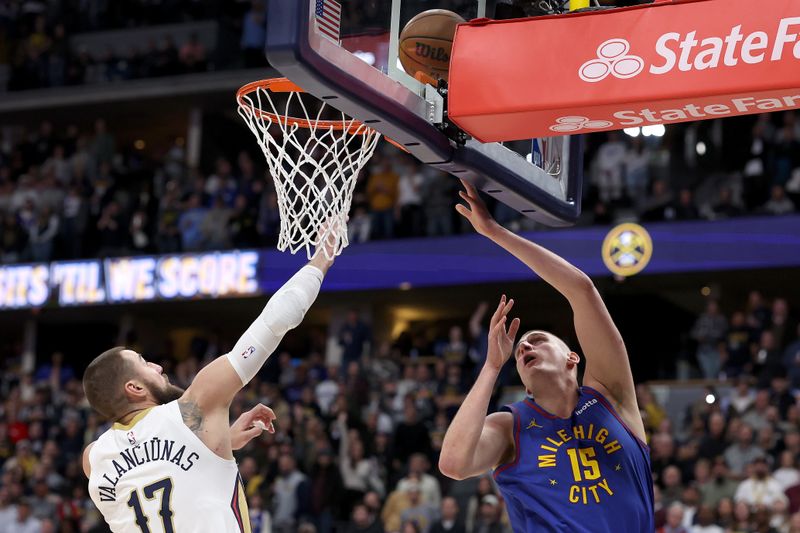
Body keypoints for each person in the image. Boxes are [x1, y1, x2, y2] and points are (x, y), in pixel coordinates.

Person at [81, 234, 336, 532]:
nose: (158, 366)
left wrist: (219, 440)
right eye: (144, 364)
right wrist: (322, 259)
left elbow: (153, 469)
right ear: (134, 388)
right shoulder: (194, 407)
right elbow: (273, 322)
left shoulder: (93, 458)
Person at [439, 181, 654, 532]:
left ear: (573, 358)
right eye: (521, 348)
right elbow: (453, 464)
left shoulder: (611, 395)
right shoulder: (510, 426)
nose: (525, 347)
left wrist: (494, 232)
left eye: (536, 340)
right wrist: (493, 366)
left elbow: (581, 290)